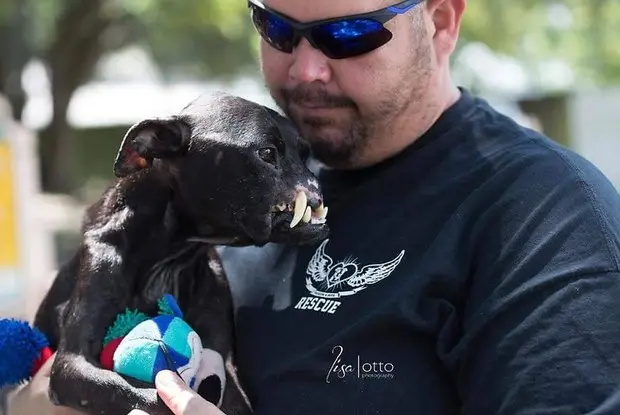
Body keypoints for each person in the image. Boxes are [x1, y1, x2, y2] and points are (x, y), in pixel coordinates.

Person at [7, 0, 620, 414]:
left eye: (347, 34)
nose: (304, 70)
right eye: (276, 27)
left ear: (439, 21)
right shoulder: (223, 183)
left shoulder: (544, 215)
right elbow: (52, 381)